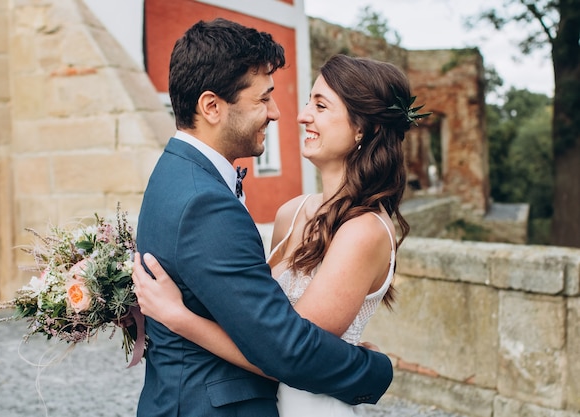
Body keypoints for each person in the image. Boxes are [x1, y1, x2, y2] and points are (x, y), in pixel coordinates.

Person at [135, 52, 429, 416]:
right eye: (308, 102)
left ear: (362, 128)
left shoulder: (364, 230)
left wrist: (179, 317)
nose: (302, 115)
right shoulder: (290, 213)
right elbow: (254, 321)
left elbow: (286, 355)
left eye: (321, 106)